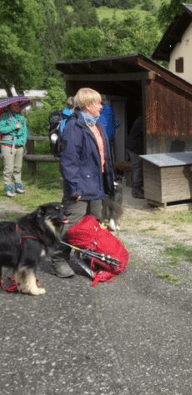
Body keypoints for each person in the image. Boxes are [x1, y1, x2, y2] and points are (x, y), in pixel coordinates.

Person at [51, 88, 115, 278]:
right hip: (80, 186)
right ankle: (58, 260)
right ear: (87, 105)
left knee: (93, 224)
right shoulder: (74, 126)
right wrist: (74, 188)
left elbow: (103, 158)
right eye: (97, 103)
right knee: (71, 225)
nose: (101, 106)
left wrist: (109, 182)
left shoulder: (97, 126)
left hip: (97, 185)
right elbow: (69, 161)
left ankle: (89, 258)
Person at [0, 102, 29, 197]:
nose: (17, 107)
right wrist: (14, 126)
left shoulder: (21, 118)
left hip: (19, 145)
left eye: (18, 105)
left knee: (18, 168)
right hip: (8, 145)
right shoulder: (4, 116)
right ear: (10, 106)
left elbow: (25, 130)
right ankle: (8, 186)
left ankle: (18, 185)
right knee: (9, 168)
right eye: (15, 105)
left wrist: (23, 141)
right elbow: (1, 129)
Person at [126, 115, 145, 199]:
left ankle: (136, 188)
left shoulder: (140, 119)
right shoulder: (143, 120)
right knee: (137, 167)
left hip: (132, 145)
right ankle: (136, 191)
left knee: (136, 167)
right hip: (135, 147)